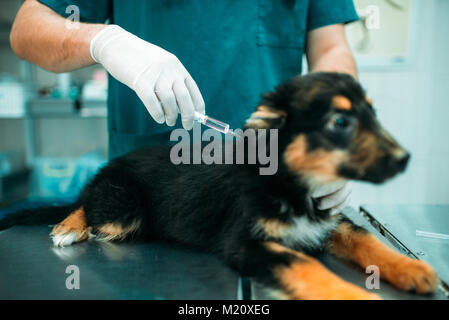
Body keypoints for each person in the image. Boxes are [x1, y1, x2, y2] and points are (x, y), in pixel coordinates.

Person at [10, 0, 358, 215]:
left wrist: (335, 138)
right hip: (148, 202)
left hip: (270, 192)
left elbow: (330, 49)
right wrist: (104, 42)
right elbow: (28, 29)